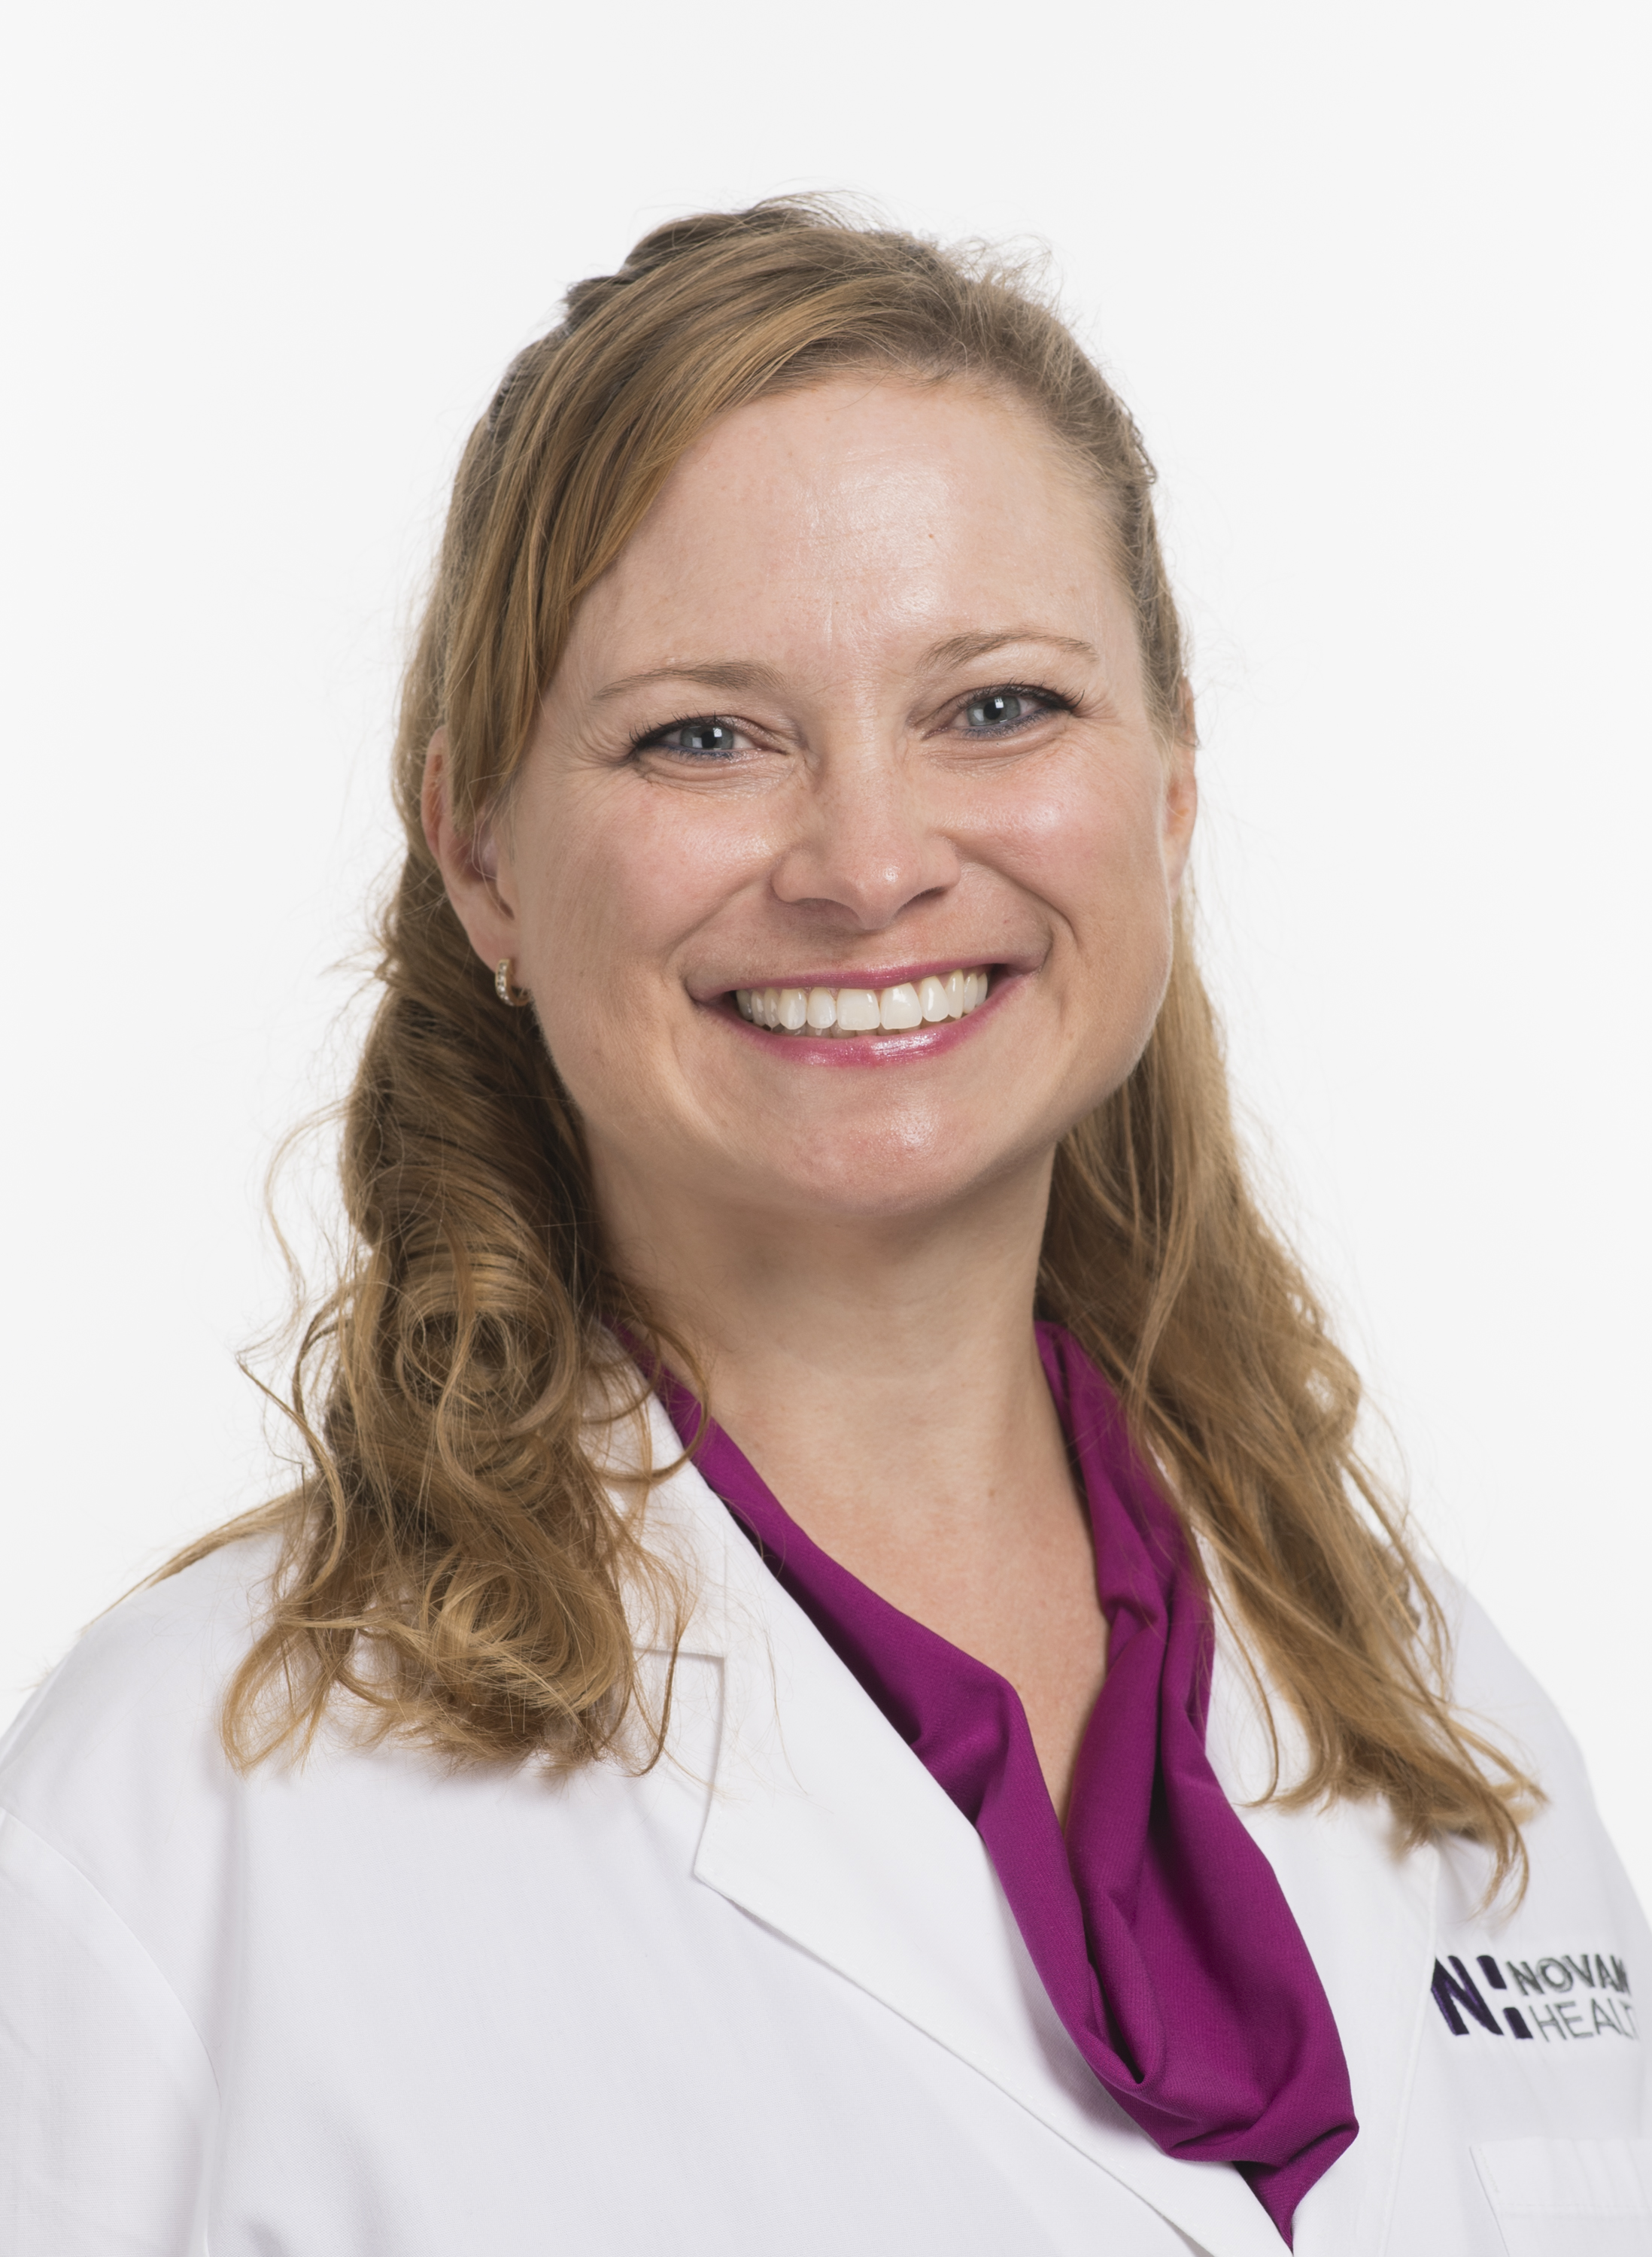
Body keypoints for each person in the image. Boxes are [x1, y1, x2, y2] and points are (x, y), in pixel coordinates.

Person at [1, 200, 1645, 2257]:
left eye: (998, 709)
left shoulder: (1444, 1731)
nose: (868, 865)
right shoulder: (178, 1827)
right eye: (703, 733)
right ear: (482, 854)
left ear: (1170, 791)